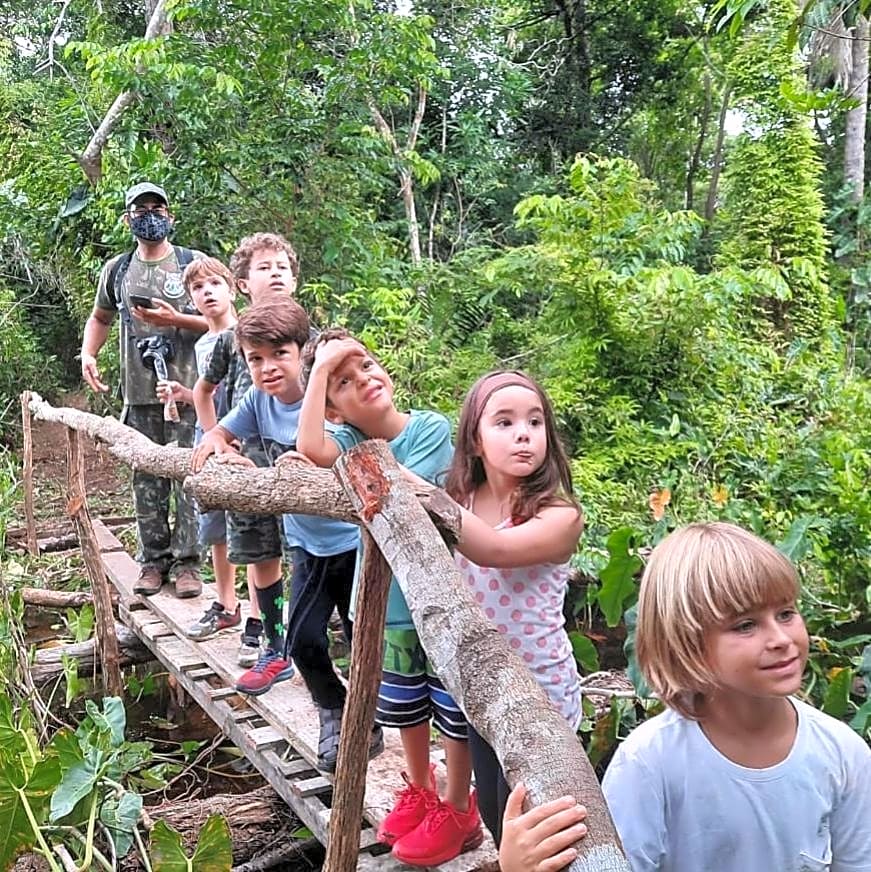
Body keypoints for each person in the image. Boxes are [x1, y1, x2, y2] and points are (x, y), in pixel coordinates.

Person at [297, 330, 482, 868]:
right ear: (334, 407)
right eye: (345, 382)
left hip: (438, 597)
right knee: (404, 706)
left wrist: (334, 369)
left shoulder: (429, 428)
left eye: (367, 366)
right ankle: (421, 790)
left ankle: (457, 806)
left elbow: (407, 489)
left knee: (451, 708)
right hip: (383, 604)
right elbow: (309, 448)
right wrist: (317, 372)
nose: (365, 380)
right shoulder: (346, 444)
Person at [598, 522, 871, 872]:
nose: (780, 639)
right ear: (687, 644)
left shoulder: (843, 754)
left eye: (786, 614)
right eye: (745, 625)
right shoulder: (648, 763)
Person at [190, 302, 383, 774]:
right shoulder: (258, 402)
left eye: (280, 354)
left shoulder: (332, 402)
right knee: (303, 639)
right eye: (256, 359)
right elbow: (220, 431)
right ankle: (333, 708)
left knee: (364, 638)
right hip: (307, 545)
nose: (268, 367)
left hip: (357, 545)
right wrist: (219, 445)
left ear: (303, 354)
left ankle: (369, 719)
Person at [443, 369, 584, 847]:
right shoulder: (463, 498)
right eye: (503, 422)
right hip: (482, 687)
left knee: (535, 819)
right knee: (492, 809)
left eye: (535, 421)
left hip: (540, 692)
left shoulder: (560, 516)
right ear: (475, 441)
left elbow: (493, 551)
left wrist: (407, 484)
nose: (523, 432)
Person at [80, 181, 206, 598]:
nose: (149, 215)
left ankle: (189, 564)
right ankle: (153, 561)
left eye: (156, 207)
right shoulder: (116, 269)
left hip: (188, 395)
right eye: (140, 209)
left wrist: (178, 320)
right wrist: (88, 354)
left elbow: (223, 321)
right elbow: (100, 317)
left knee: (190, 478)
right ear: (127, 218)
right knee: (146, 481)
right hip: (138, 395)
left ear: (170, 214)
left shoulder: (192, 265)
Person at [191, 232, 299, 666]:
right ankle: (267, 634)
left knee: (304, 552)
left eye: (282, 268)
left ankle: (298, 636)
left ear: (294, 279)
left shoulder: (305, 333)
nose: (274, 275)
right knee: (260, 553)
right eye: (263, 268)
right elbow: (204, 391)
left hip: (299, 462)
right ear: (242, 283)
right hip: (246, 465)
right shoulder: (230, 340)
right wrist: (215, 438)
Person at [153, 257, 247, 647]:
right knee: (215, 528)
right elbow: (209, 396)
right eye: (198, 288)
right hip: (206, 440)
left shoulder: (247, 334)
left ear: (231, 288)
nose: (207, 292)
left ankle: (259, 618)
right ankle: (226, 604)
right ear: (190, 298)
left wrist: (234, 435)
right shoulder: (203, 343)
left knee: (253, 531)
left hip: (241, 443)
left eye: (214, 284)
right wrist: (183, 394)